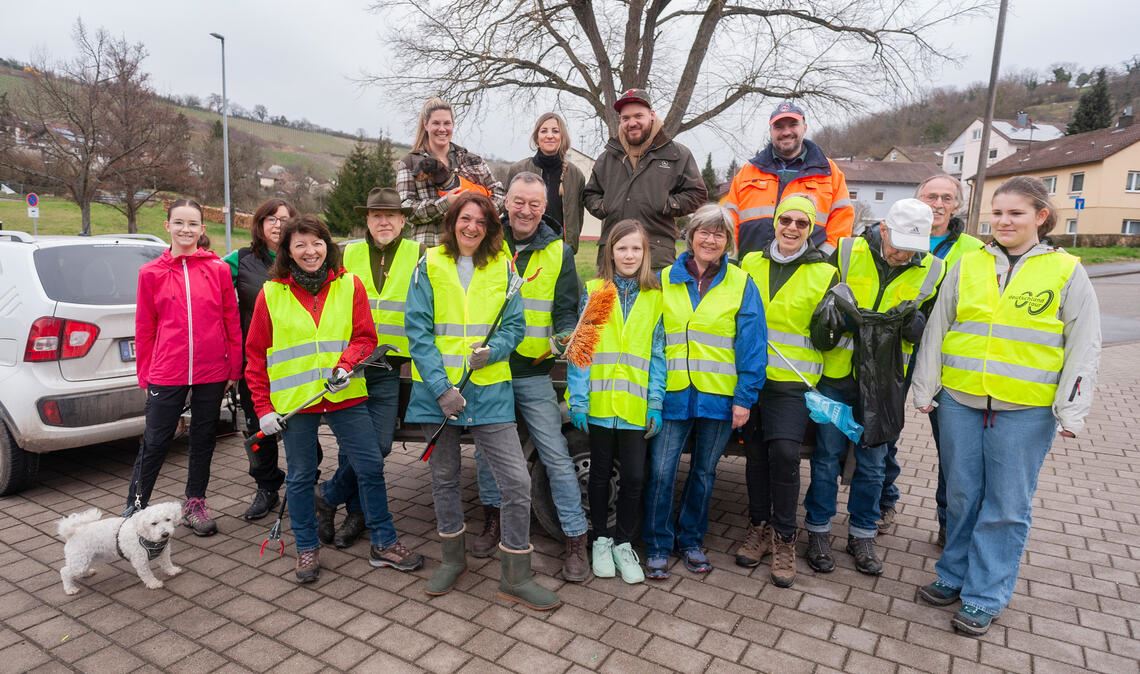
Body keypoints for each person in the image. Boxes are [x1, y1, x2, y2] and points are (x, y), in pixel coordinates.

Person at [912, 176, 1100, 636]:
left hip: (1026, 410)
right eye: (997, 213)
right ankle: (953, 575)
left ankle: (984, 594)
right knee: (961, 496)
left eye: (1015, 213)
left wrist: (1072, 409)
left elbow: (1084, 343)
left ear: (1040, 216)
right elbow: (940, 327)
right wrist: (925, 388)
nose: (1004, 221)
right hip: (960, 400)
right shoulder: (970, 264)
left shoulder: (1066, 270)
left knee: (1006, 506)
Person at [245, 215, 422, 583]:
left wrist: (346, 365)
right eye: (300, 245)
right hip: (297, 403)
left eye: (317, 243)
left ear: (328, 245)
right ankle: (306, 548)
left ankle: (384, 543)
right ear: (288, 252)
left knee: (371, 465)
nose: (310, 251)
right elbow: (256, 356)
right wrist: (263, 409)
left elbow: (364, 338)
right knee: (300, 476)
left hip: (345, 394)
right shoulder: (271, 293)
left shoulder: (348, 285)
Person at [405, 192, 560, 611]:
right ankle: (452, 561)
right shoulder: (429, 264)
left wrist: (495, 351)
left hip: (489, 390)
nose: (471, 227)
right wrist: (441, 388)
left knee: (516, 482)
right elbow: (417, 332)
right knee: (444, 478)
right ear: (453, 221)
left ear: (492, 226)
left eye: (481, 221)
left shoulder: (503, 266)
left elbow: (515, 326)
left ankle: (516, 575)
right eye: (464, 219)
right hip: (437, 394)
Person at [802, 198, 944, 577]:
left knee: (872, 464)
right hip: (837, 376)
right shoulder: (847, 251)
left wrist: (917, 328)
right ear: (882, 229)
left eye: (912, 248)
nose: (902, 256)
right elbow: (818, 299)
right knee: (826, 456)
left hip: (884, 383)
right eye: (898, 244)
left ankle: (863, 535)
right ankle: (817, 531)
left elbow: (932, 328)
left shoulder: (934, 269)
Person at [469, 173, 590, 581]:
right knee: (486, 454)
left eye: (534, 205)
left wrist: (563, 334)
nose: (525, 211)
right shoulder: (486, 243)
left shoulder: (560, 252)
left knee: (555, 455)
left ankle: (575, 540)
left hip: (533, 370)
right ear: (507, 203)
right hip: (491, 369)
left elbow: (567, 309)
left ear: (544, 208)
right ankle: (493, 522)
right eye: (519, 202)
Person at [643, 204, 765, 580]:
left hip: (718, 396)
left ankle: (691, 540)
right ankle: (658, 544)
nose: (710, 240)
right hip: (673, 394)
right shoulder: (663, 279)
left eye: (719, 234)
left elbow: (752, 345)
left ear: (728, 242)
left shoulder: (742, 283)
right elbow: (649, 338)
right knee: (662, 472)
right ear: (690, 235)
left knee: (703, 473)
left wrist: (745, 397)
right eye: (704, 232)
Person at [736, 195, 838, 587]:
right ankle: (758, 527)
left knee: (784, 454)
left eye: (801, 223)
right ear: (775, 222)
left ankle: (783, 537)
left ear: (810, 230)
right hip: (751, 378)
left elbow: (832, 335)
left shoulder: (824, 273)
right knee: (756, 456)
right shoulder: (749, 264)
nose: (792, 228)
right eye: (786, 220)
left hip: (793, 383)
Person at [315, 187, 425, 549]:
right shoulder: (347, 252)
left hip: (390, 366)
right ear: (366, 219)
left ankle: (328, 496)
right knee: (351, 448)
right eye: (376, 215)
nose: (383, 221)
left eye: (390, 215)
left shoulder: (418, 253)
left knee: (377, 447)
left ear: (403, 220)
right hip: (351, 365)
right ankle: (356, 515)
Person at [878, 174, 984, 541]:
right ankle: (884, 503)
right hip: (896, 350)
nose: (938, 203)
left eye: (946, 197)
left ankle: (946, 521)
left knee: (950, 443)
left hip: (946, 354)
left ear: (957, 205)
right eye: (930, 196)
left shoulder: (974, 249)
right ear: (918, 200)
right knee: (885, 429)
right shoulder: (896, 235)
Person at [128, 199, 242, 535]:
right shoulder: (150, 273)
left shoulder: (218, 269)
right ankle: (134, 507)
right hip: (167, 370)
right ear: (168, 226)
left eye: (193, 224)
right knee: (156, 440)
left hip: (212, 370)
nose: (186, 230)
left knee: (204, 437)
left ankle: (195, 502)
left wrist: (233, 368)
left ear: (202, 229)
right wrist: (145, 372)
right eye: (179, 223)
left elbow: (230, 320)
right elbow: (145, 325)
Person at [568, 219, 666, 584]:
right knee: (598, 477)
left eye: (635, 249)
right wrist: (578, 399)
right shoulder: (596, 292)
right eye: (622, 248)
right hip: (599, 405)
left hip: (635, 407)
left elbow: (658, 355)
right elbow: (581, 350)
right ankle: (601, 541)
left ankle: (624, 543)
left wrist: (655, 402)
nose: (629, 254)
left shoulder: (655, 297)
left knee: (635, 478)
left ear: (645, 254)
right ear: (610, 252)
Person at [222, 199, 296, 521]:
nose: (278, 225)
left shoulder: (301, 257)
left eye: (284, 219)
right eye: (271, 219)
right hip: (257, 365)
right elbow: (205, 279)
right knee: (258, 432)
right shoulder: (239, 261)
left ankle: (303, 484)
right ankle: (266, 487)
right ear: (260, 224)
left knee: (299, 428)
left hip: (297, 364)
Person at [584, 89, 707, 270]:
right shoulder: (607, 157)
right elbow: (590, 194)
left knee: (653, 299)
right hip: (612, 254)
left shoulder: (677, 154)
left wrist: (667, 204)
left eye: (638, 116)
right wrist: (605, 206)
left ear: (652, 115)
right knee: (609, 299)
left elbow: (697, 194)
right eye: (625, 118)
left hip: (656, 254)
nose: (632, 123)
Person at [725, 101, 854, 258]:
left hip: (807, 274)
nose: (786, 132)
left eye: (793, 124)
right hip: (750, 270)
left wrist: (822, 259)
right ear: (770, 131)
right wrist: (731, 261)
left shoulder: (829, 172)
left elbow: (842, 223)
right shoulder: (748, 171)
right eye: (779, 127)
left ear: (804, 127)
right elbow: (729, 223)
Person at [397, 97, 505, 246]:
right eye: (436, 123)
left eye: (447, 123)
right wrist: (445, 203)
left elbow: (499, 195)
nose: (442, 129)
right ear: (426, 125)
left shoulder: (472, 160)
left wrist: (476, 213)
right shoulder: (410, 163)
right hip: (430, 249)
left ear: (453, 125)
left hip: (474, 249)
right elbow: (406, 210)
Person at [507, 112, 587, 252]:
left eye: (555, 131)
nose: (550, 135)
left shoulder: (576, 175)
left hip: (561, 249)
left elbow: (577, 216)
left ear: (562, 137)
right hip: (524, 247)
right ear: (537, 138)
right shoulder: (518, 170)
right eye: (544, 131)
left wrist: (569, 245)